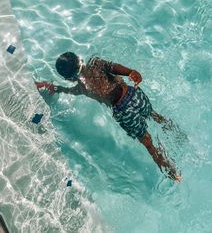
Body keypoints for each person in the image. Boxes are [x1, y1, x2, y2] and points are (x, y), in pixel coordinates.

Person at [35, 52, 182, 182]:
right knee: (154, 115)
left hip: (124, 112)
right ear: (80, 60)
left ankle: (172, 173)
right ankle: (178, 134)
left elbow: (70, 91)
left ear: (69, 79)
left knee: (149, 144)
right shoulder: (95, 63)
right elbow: (113, 67)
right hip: (133, 94)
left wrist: (54, 87)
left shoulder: (82, 87)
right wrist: (130, 72)